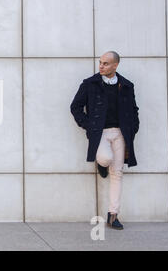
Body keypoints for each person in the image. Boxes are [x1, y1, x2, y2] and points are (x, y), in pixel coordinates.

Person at [70, 51, 139, 230]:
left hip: (120, 134)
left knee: (117, 173)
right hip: (100, 133)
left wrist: (133, 128)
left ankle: (113, 215)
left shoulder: (126, 85)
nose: (101, 66)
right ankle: (101, 165)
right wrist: (89, 125)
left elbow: (134, 110)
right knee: (105, 159)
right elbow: (75, 107)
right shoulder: (89, 84)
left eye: (106, 64)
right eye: (100, 63)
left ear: (115, 66)